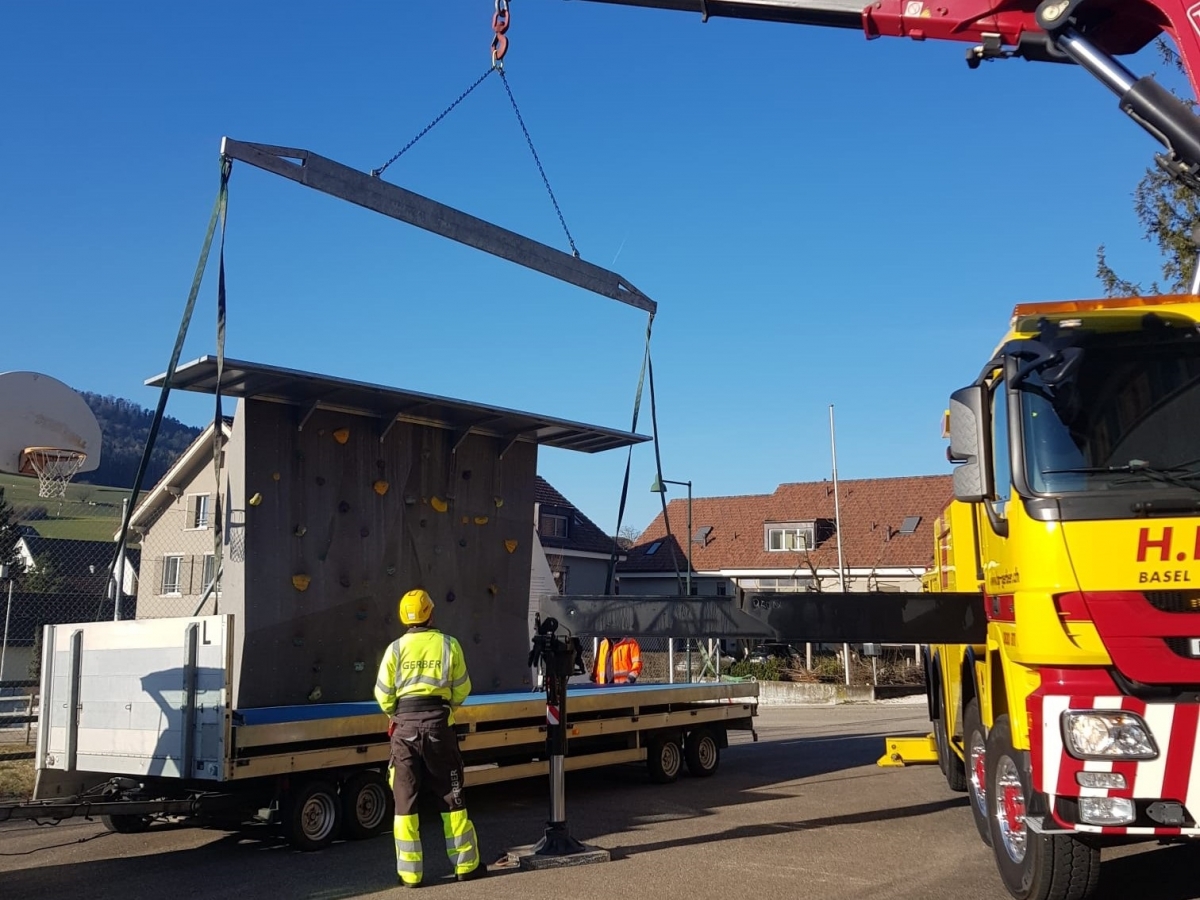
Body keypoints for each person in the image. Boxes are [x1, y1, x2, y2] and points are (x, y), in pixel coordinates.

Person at [374, 588, 484, 888]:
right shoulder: (449, 645)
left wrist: (399, 714)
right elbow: (463, 688)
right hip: (439, 727)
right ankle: (465, 865)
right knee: (451, 796)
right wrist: (446, 709)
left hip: (403, 730)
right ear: (431, 614)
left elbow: (383, 696)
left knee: (404, 801)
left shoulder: (395, 649)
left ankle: (410, 875)